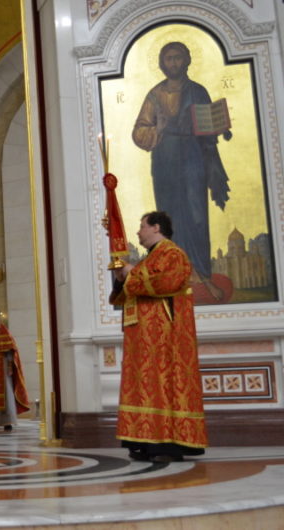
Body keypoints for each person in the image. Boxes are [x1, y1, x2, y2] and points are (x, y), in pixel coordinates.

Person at [132, 41, 231, 300]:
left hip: (193, 157)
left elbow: (208, 127)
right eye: (169, 59)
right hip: (165, 159)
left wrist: (218, 127)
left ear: (186, 60)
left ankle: (201, 273)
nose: (174, 63)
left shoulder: (197, 91)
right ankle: (175, 274)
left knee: (197, 214)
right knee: (170, 215)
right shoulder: (155, 95)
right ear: (162, 64)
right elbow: (139, 131)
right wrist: (159, 128)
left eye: (178, 58)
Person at [110, 211, 208, 463]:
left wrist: (131, 272)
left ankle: (166, 444)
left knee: (162, 385)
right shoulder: (151, 257)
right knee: (144, 386)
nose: (138, 231)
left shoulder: (173, 254)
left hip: (165, 338)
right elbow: (130, 290)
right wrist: (122, 276)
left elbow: (164, 283)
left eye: (142, 226)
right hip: (145, 337)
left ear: (156, 227)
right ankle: (142, 441)